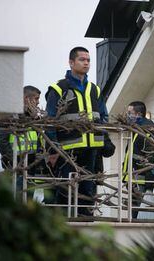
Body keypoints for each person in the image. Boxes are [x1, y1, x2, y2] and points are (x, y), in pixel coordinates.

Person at [45, 46, 108, 216]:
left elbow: (104, 117)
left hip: (92, 148)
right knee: (66, 189)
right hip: (67, 149)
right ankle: (65, 225)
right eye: (82, 59)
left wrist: (105, 141)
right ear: (71, 63)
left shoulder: (95, 89)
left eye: (88, 60)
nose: (86, 63)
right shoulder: (59, 88)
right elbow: (49, 120)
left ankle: (87, 222)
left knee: (88, 189)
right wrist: (54, 148)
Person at [0, 85, 48, 198]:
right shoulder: (10, 116)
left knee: (26, 204)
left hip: (30, 167)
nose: (38, 102)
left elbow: (38, 142)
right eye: (36, 98)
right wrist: (14, 161)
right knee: (16, 202)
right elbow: (1, 142)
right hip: (15, 167)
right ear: (26, 98)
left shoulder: (33, 119)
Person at [122, 101, 154, 219]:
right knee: (134, 211)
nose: (127, 115)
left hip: (141, 178)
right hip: (134, 177)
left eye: (129, 113)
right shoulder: (137, 129)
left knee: (137, 213)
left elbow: (152, 155)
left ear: (138, 114)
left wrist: (148, 182)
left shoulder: (148, 130)